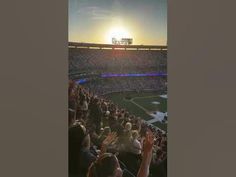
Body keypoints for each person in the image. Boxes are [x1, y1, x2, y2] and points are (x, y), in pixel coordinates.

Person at [87, 130, 154, 177]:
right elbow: (143, 174)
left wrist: (104, 147)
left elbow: (101, 167)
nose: (120, 168)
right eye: (118, 166)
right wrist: (148, 152)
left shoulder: (97, 172)